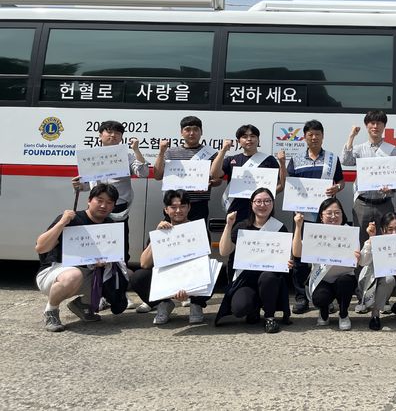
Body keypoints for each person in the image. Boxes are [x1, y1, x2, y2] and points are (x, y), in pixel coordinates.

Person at [35, 184, 123, 332]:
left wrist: (105, 262)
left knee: (119, 276)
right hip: (54, 271)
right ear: (89, 200)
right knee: (73, 275)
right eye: (99, 200)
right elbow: (41, 247)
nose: (103, 205)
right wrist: (62, 223)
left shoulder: (110, 225)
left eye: (109, 203)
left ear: (113, 206)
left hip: (86, 273)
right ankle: (51, 311)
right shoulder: (72, 219)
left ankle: (83, 304)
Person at [287, 119, 345, 314]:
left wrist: (337, 187)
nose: (314, 137)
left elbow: (341, 182)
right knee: (300, 258)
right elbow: (291, 186)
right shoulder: (296, 160)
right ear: (304, 137)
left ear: (322, 136)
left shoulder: (332, 158)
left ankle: (328, 298)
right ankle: (301, 297)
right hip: (303, 216)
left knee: (327, 256)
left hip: (326, 217)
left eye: (317, 134)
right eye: (310, 134)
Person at [71, 120, 149, 264]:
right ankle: (94, 274)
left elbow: (143, 172)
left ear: (121, 138)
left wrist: (136, 150)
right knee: (95, 241)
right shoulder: (90, 156)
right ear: (100, 135)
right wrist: (79, 186)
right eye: (109, 131)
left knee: (119, 242)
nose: (113, 135)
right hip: (96, 205)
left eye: (118, 133)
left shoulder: (127, 156)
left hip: (118, 206)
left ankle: (120, 274)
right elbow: (88, 185)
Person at [215, 188, 292, 334]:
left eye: (267, 201)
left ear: (272, 204)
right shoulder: (242, 227)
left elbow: (285, 257)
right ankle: (254, 307)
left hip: (268, 279)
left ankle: (270, 317)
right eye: (258, 201)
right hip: (246, 279)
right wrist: (229, 224)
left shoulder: (280, 228)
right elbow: (224, 251)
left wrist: (288, 262)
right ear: (251, 204)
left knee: (268, 277)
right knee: (239, 309)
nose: (262, 205)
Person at [129, 189, 210, 325]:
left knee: (212, 271)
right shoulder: (160, 231)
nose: (178, 211)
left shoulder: (198, 230)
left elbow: (202, 262)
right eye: (173, 207)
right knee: (138, 277)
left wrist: (189, 287)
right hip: (166, 278)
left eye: (182, 206)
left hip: (190, 276)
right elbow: (144, 264)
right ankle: (163, 304)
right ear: (166, 210)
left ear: (189, 207)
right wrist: (157, 235)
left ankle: (196, 305)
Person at [291, 198, 359, 330]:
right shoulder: (315, 232)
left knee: (345, 282)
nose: (333, 216)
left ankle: (344, 314)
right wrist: (298, 227)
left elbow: (356, 261)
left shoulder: (349, 232)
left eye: (337, 213)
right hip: (322, 278)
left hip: (343, 277)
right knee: (320, 298)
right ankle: (323, 311)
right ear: (321, 216)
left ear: (342, 214)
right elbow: (297, 253)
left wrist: (358, 257)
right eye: (329, 213)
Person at [342, 110, 396, 247]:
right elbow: (345, 160)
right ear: (366, 125)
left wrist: (391, 187)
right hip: (363, 204)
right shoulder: (359, 149)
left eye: (379, 123)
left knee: (386, 242)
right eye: (372, 123)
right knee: (361, 242)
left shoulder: (392, 150)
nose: (375, 126)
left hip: (384, 203)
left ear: (384, 126)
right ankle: (359, 269)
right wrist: (351, 136)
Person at [357, 212, 396, 331]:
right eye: (390, 229)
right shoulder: (376, 242)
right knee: (388, 279)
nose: (394, 233)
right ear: (383, 231)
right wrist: (371, 239)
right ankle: (375, 314)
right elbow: (363, 262)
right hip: (376, 285)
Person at [210, 124, 287, 222]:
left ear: (258, 140)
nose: (249, 139)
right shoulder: (232, 160)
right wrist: (223, 150)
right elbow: (214, 174)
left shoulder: (269, 160)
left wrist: (265, 196)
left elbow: (282, 184)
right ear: (239, 141)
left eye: (253, 136)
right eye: (244, 137)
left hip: (262, 209)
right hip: (236, 210)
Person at [153, 115, 222, 223]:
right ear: (181, 132)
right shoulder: (170, 152)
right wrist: (161, 152)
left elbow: (218, 180)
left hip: (199, 204)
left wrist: (210, 183)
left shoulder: (211, 154)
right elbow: (157, 176)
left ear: (201, 131)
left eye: (195, 129)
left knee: (199, 236)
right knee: (173, 236)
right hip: (174, 204)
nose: (191, 133)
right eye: (187, 129)